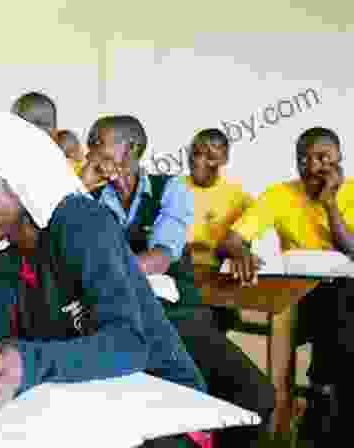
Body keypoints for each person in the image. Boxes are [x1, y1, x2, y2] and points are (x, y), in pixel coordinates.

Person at [0, 112, 206, 448]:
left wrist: (24, 363)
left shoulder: (81, 223)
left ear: (18, 181)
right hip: (93, 403)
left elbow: (128, 345)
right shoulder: (1, 248)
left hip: (167, 412)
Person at [81, 115, 274, 448]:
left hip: (179, 316)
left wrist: (106, 268)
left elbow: (161, 256)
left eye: (100, 141)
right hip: (121, 321)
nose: (91, 150)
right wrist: (81, 187)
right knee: (158, 419)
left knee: (255, 396)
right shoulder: (85, 197)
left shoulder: (172, 188)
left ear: (132, 149)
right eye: (90, 142)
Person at [218, 127, 354, 446]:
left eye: (322, 158)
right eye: (303, 159)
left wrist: (330, 204)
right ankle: (318, 403)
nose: (312, 166)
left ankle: (325, 405)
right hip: (301, 298)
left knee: (344, 313)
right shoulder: (280, 194)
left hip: (345, 298)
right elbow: (232, 241)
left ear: (339, 159)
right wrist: (240, 250)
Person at [183, 128, 254, 332]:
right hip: (179, 276)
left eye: (210, 157)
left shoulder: (240, 199)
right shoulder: (171, 188)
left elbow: (243, 246)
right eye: (195, 154)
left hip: (217, 281)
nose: (199, 161)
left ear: (224, 160)